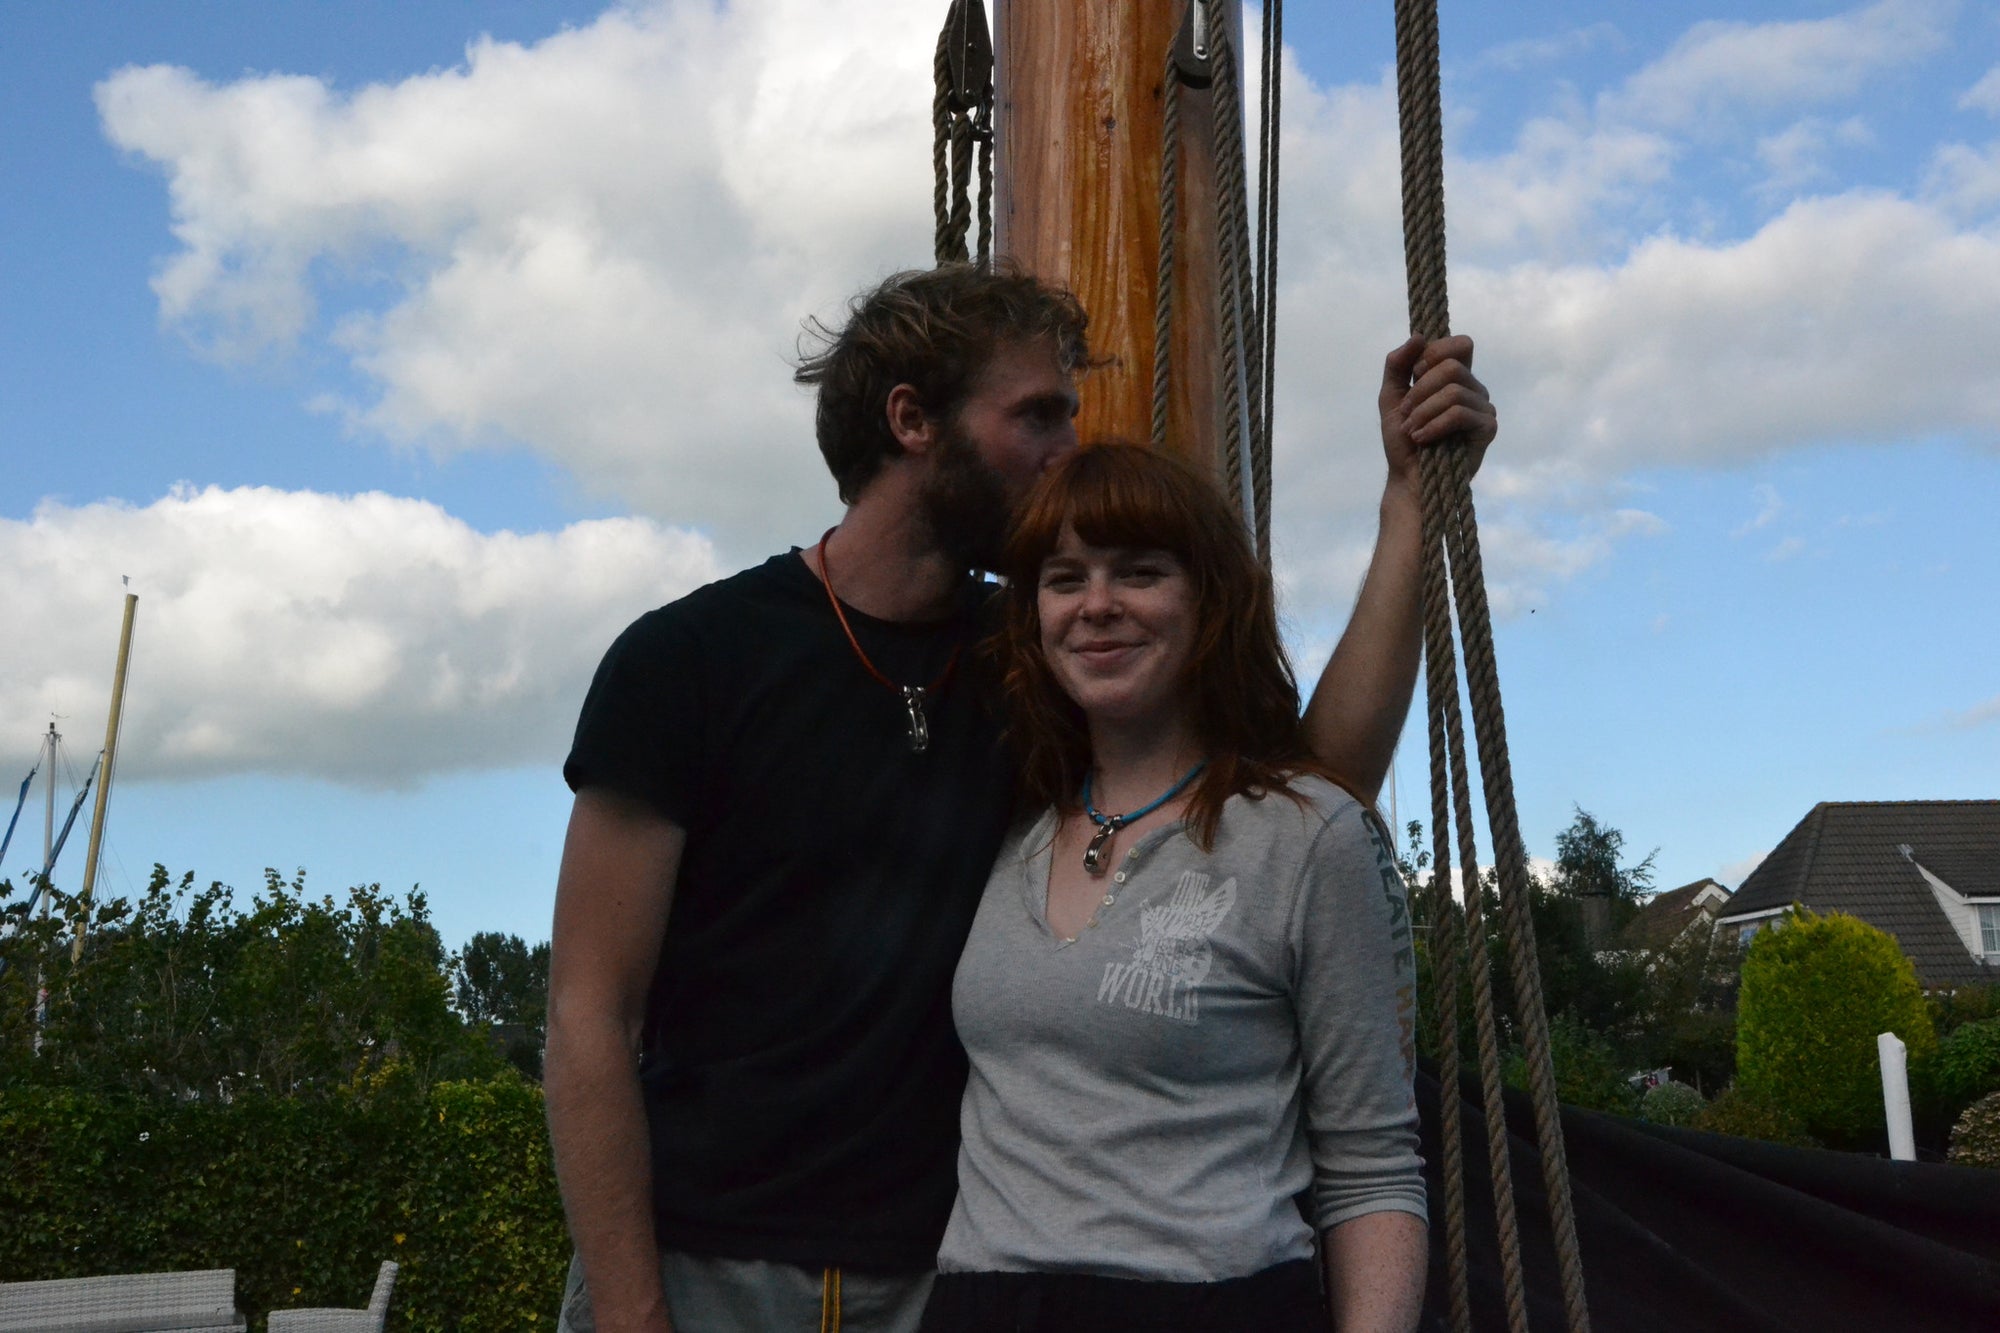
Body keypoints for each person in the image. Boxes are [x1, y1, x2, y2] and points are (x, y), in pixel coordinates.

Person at [545, 262, 1493, 1333]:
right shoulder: (689, 662)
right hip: (702, 1267)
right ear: (912, 421)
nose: (1067, 449)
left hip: (934, 1282)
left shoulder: (1036, 660)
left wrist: (1407, 508)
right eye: (1037, 416)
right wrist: (630, 1314)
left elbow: (1296, 797)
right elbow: (590, 1013)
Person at [924, 443, 1424, 1333]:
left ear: (1209, 602)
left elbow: (1373, 1165)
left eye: (1141, 572)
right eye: (1064, 578)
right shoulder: (1008, 830)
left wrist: (1408, 498)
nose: (1098, 605)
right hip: (982, 1303)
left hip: (1208, 1305)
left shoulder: (1305, 838)